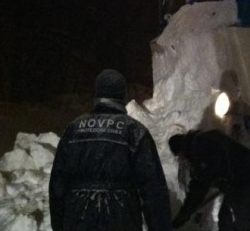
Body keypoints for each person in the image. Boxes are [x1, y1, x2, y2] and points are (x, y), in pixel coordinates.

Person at [49, 69, 172, 231]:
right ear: (123, 95)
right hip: (121, 215)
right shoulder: (135, 131)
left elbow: (58, 183)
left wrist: (59, 224)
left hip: (78, 215)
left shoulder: (74, 129)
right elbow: (153, 187)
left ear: (97, 94)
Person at [168, 129, 250, 231]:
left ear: (182, 149)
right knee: (225, 218)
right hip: (241, 179)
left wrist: (184, 215)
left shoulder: (200, 145)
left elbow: (200, 186)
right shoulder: (200, 143)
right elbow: (200, 182)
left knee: (244, 219)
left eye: (180, 157)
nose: (183, 161)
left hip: (248, 178)